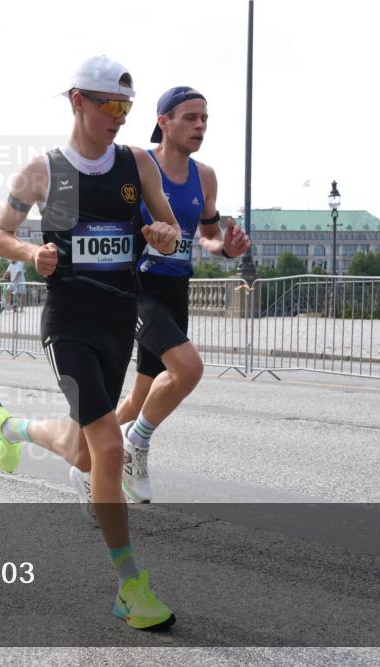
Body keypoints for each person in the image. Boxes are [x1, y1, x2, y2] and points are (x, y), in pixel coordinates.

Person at [0, 56, 180, 631]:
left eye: (127, 107)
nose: (120, 116)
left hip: (119, 320)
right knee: (109, 449)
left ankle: (10, 427)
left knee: (84, 452)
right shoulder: (43, 172)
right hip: (68, 323)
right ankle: (131, 587)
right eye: (110, 105)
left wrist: (164, 236)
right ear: (78, 101)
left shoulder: (137, 163)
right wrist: (31, 253)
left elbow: (171, 235)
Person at [115, 87, 251, 503]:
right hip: (137, 286)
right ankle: (135, 445)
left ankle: (86, 457)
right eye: (190, 117)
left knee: (141, 396)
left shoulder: (205, 176)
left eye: (204, 119)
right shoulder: (138, 164)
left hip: (175, 289)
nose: (200, 126)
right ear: (164, 122)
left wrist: (226, 248)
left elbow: (207, 236)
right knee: (188, 369)